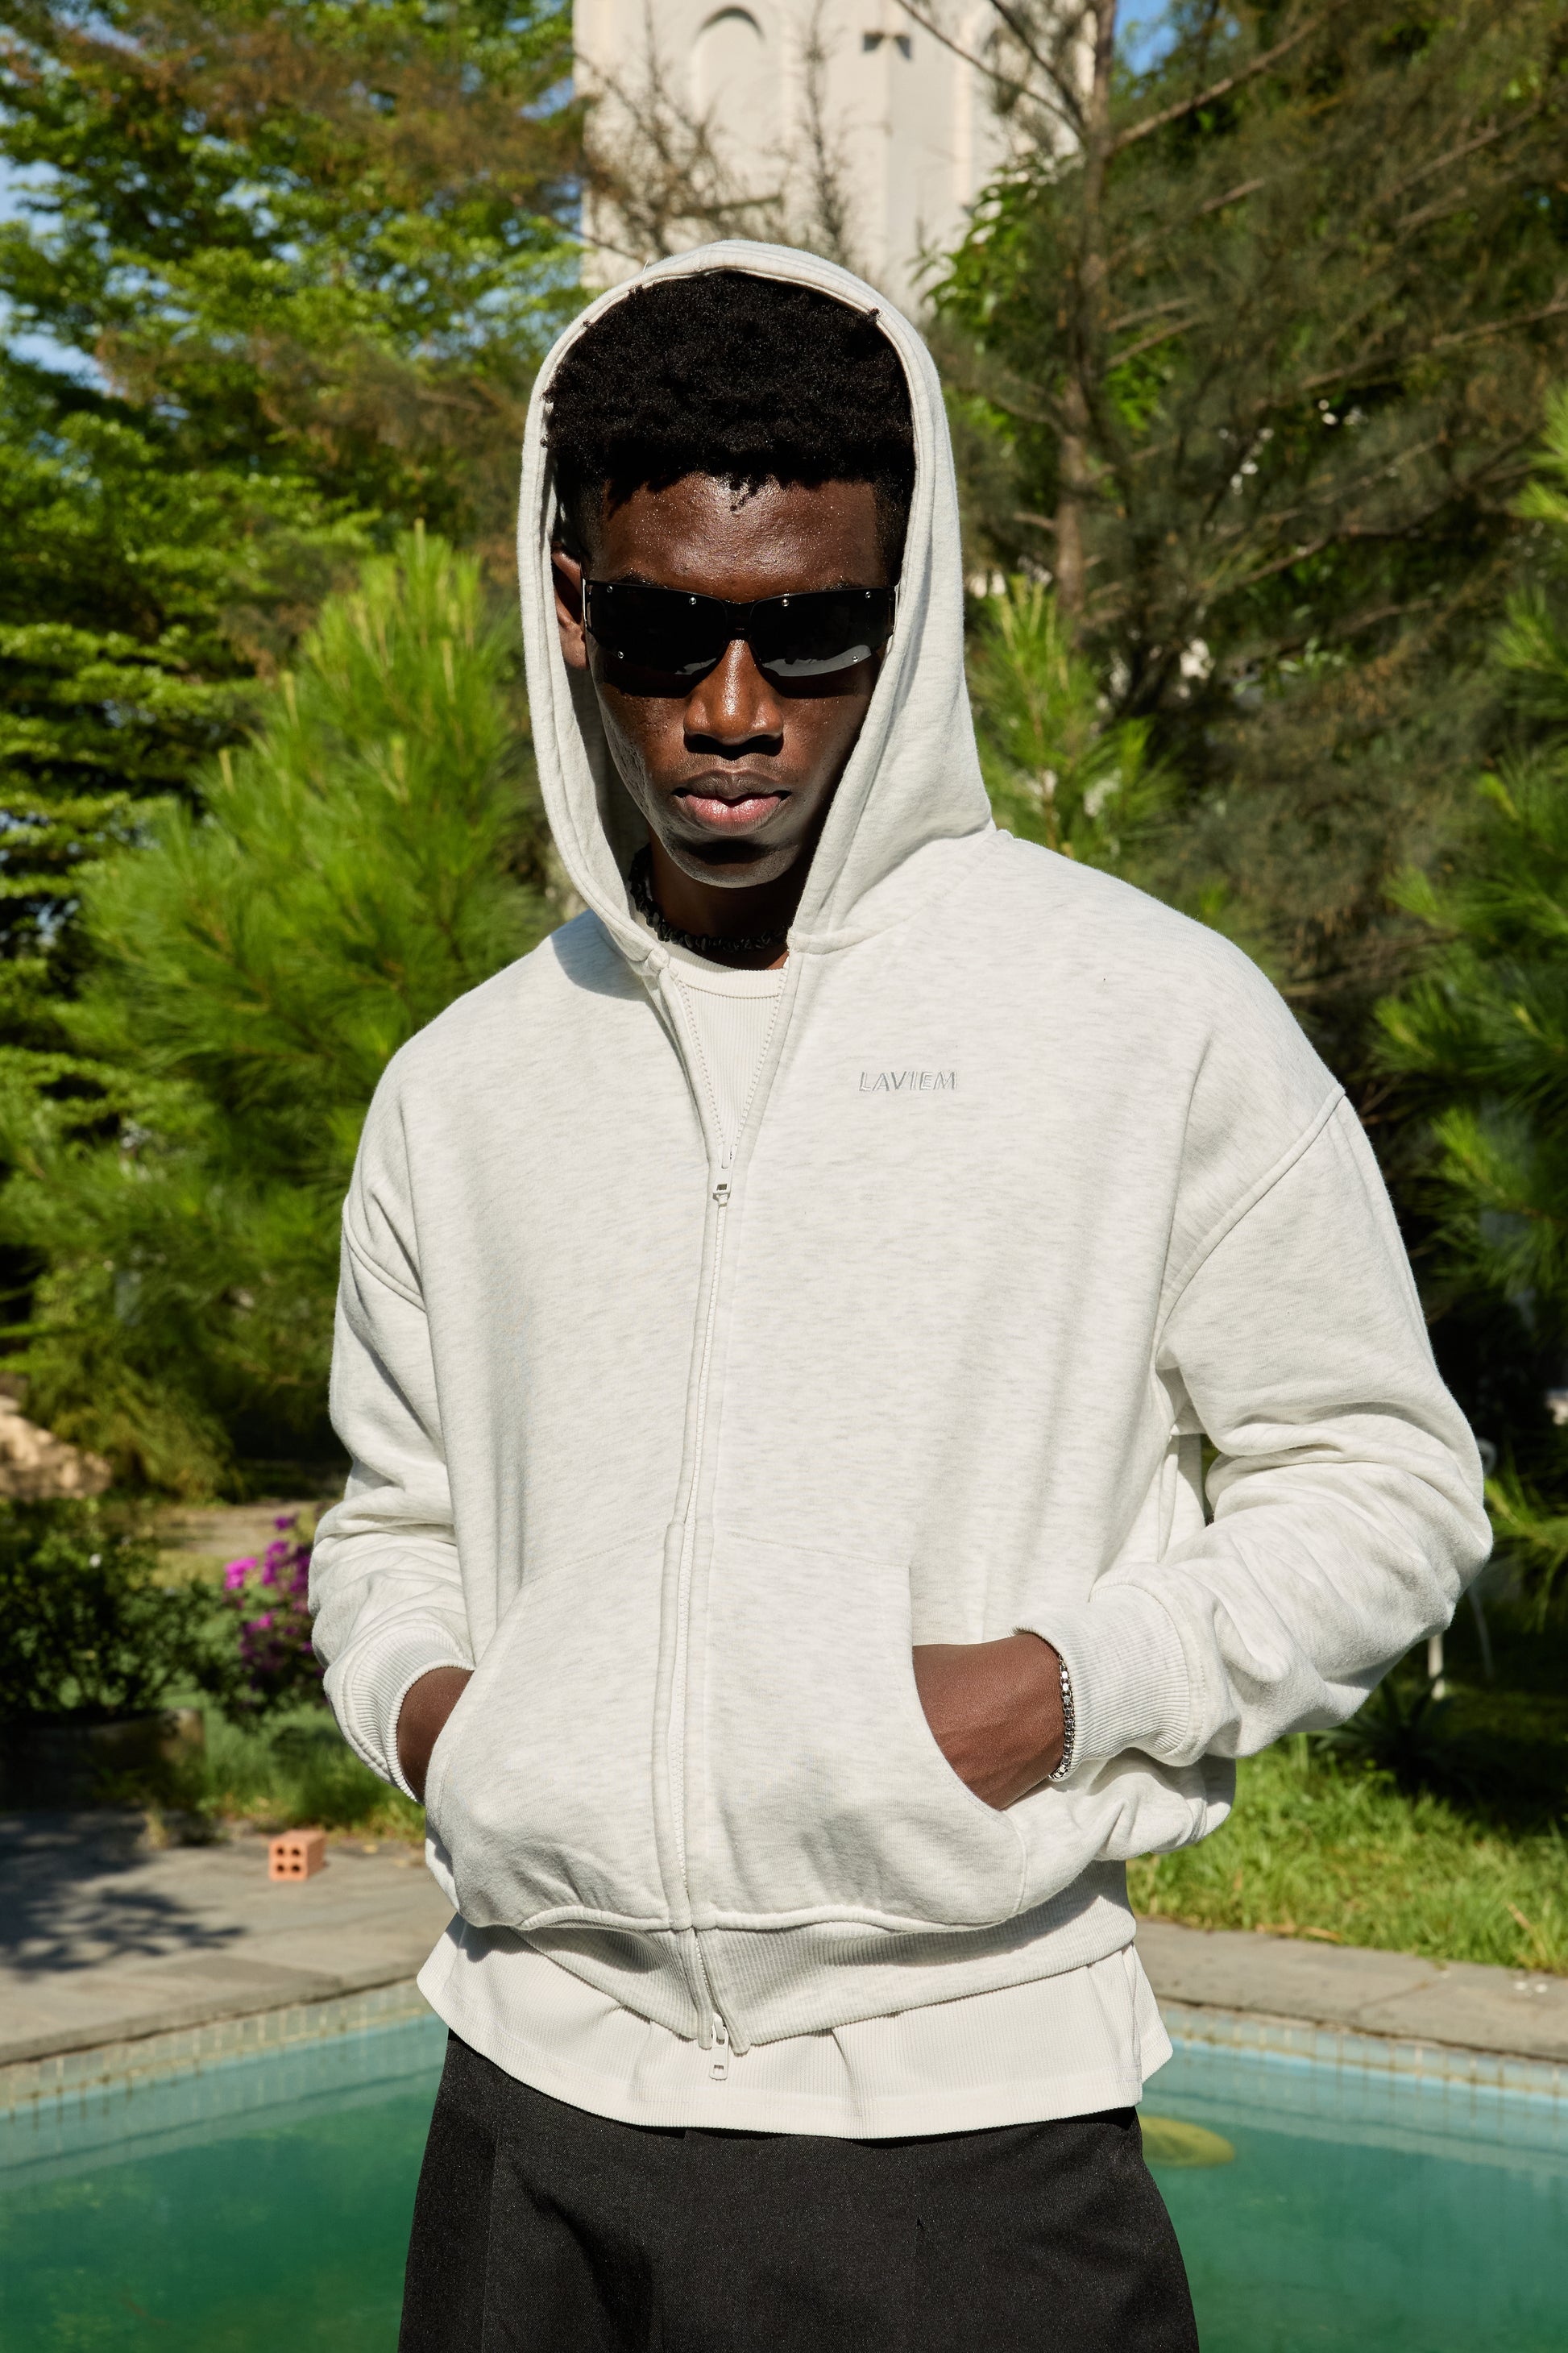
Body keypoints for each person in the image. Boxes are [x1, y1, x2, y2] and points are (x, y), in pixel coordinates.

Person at [310, 245, 1490, 2352]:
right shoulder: (465, 1087)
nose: (735, 707)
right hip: (520, 2111)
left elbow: (1382, 1485)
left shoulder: (1139, 1020)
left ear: (905, 611)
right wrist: (449, 1720)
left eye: (811, 632)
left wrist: (1064, 1677)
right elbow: (391, 1521)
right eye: (671, 626)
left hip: (961, 2151)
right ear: (574, 605)